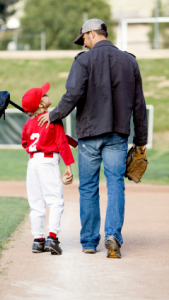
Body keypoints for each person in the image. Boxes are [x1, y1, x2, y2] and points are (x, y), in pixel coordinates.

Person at [38, 19, 148, 258]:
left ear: (91, 34)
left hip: (89, 135)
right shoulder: (130, 61)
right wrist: (141, 140)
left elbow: (73, 94)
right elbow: (139, 104)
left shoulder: (83, 60)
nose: (84, 44)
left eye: (84, 39)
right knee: (116, 184)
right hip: (118, 134)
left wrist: (54, 115)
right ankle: (113, 236)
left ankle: (89, 242)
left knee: (88, 187)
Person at [21, 82, 74, 255]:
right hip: (48, 161)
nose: (47, 94)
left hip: (32, 163)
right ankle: (52, 237)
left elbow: (25, 143)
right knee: (55, 201)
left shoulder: (29, 123)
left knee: (36, 203)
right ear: (42, 104)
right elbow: (61, 143)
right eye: (44, 94)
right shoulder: (53, 119)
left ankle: (38, 240)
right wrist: (68, 167)